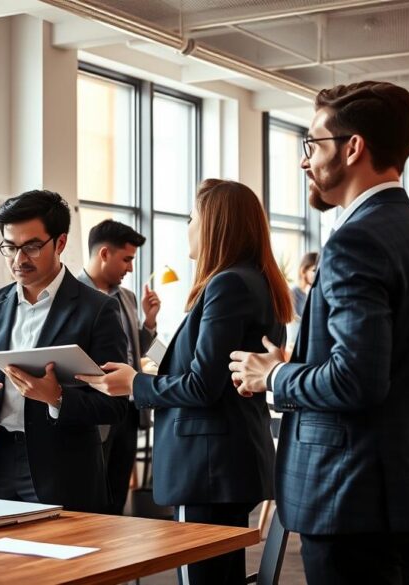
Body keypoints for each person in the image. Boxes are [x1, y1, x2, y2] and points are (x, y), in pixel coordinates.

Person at [229, 81, 409, 585]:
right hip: (407, 489)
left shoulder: (356, 242)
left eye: (313, 144)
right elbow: (399, 365)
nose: (305, 161)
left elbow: (357, 381)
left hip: (350, 495)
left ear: (352, 148)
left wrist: (279, 375)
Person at [79, 179, 291, 585]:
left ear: (214, 225)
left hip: (208, 467)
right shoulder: (255, 280)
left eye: (192, 218)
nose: (187, 227)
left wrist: (136, 384)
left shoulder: (227, 284)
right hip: (228, 460)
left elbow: (200, 386)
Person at [0, 189, 128, 513]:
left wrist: (57, 397)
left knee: (65, 563)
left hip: (62, 470)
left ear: (60, 243)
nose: (19, 259)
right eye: (10, 246)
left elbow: (115, 406)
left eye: (31, 246)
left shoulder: (97, 309)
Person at [78, 219, 161, 515]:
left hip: (127, 408)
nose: (130, 268)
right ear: (104, 254)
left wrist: (148, 322)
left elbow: (130, 348)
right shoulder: (73, 295)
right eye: (126, 259)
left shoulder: (127, 297)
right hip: (94, 410)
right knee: (90, 497)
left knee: (117, 496)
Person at [290, 252, 318, 319]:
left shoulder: (317, 291)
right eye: (314, 270)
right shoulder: (293, 293)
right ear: (303, 271)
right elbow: (293, 321)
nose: (317, 274)